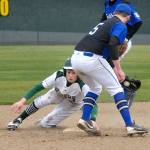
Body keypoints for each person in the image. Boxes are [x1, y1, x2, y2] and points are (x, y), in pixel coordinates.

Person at [71, 4, 148, 136]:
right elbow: (113, 43)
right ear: (128, 17)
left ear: (116, 12)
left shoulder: (106, 23)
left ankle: (84, 119)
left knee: (95, 88)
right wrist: (119, 69)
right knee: (117, 89)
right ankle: (130, 125)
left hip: (75, 59)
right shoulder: (120, 25)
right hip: (92, 59)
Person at [90, 0, 143, 122]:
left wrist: (126, 38)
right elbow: (104, 18)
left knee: (107, 63)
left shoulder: (123, 4)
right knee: (105, 64)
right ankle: (127, 85)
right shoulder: (107, 3)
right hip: (110, 40)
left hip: (120, 40)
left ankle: (127, 87)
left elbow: (138, 22)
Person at [7, 58, 94, 131]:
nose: (70, 75)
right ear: (65, 71)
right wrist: (22, 101)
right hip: (58, 93)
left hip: (73, 103)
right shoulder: (58, 75)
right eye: (69, 72)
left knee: (45, 124)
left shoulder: (83, 84)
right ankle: (19, 119)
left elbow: (92, 102)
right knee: (43, 100)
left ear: (78, 73)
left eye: (73, 73)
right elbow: (38, 87)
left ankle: (45, 120)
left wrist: (93, 120)